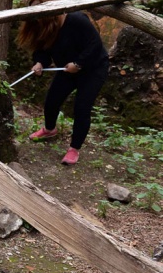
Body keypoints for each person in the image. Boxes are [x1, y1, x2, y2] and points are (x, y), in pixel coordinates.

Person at [17, 11, 109, 165]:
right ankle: (49, 129)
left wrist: (79, 63)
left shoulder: (76, 20)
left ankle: (74, 148)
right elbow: (42, 50)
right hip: (66, 69)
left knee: (82, 107)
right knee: (52, 101)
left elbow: (95, 44)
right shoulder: (43, 26)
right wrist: (40, 63)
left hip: (93, 69)